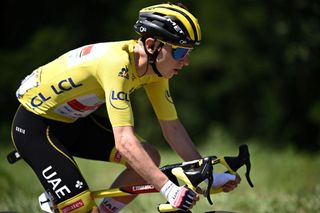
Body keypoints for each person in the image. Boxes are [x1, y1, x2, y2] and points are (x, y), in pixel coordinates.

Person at [11, 3, 240, 213]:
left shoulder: (156, 71)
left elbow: (173, 129)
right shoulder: (115, 63)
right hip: (36, 129)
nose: (186, 61)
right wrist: (168, 189)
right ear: (152, 45)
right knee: (81, 206)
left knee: (149, 155)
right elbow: (124, 141)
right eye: (180, 52)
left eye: (189, 52)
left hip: (75, 123)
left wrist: (204, 177)